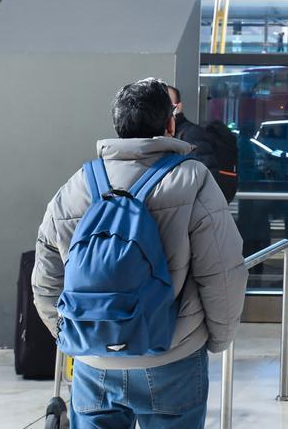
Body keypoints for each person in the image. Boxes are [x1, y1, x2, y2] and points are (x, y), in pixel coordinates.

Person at [32, 78, 247, 429]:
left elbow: (45, 278)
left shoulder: (77, 184)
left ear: (118, 126)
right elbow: (223, 272)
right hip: (172, 356)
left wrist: (71, 335)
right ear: (169, 125)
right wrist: (217, 338)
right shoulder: (193, 179)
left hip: (94, 360)